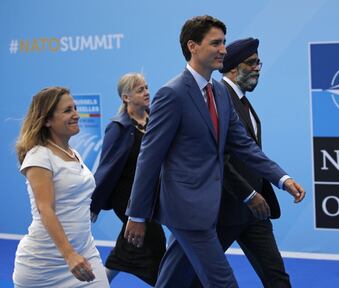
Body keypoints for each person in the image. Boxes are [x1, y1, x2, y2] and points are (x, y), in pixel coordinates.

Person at [124, 15, 305, 288]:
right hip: (186, 210)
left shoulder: (218, 94)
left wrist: (282, 179)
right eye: (216, 43)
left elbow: (243, 145)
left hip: (210, 209)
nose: (223, 49)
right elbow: (149, 157)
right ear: (193, 46)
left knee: (172, 281)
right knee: (223, 283)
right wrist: (136, 215)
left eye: (224, 43)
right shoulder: (171, 94)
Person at [13, 87, 109, 287]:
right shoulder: (39, 156)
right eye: (67, 111)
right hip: (43, 265)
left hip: (85, 252)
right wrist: (69, 254)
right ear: (47, 120)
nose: (76, 115)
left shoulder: (74, 154)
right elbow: (44, 208)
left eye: (75, 108)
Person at [216, 37, 291, 287]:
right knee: (194, 276)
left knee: (277, 277)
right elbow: (220, 159)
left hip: (255, 211)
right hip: (225, 208)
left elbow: (252, 153)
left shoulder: (242, 100)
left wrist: (282, 180)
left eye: (259, 62)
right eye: (252, 62)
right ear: (234, 67)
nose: (258, 67)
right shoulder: (218, 99)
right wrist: (248, 194)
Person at [90, 73, 166, 285]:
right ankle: (164, 281)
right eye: (140, 90)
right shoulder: (118, 127)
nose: (147, 92)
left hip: (150, 194)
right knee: (154, 239)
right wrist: (94, 203)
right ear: (126, 97)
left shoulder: (155, 119)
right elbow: (106, 168)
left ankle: (99, 282)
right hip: (126, 198)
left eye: (147, 87)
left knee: (130, 243)